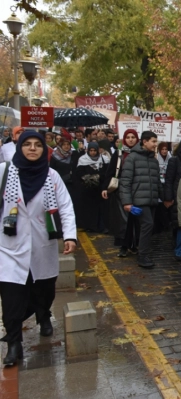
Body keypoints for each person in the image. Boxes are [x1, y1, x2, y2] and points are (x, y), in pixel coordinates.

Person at [0, 130, 77, 366]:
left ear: (44, 149)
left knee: (44, 291)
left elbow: (65, 206)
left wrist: (70, 236)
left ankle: (44, 314)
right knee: (12, 297)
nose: (32, 149)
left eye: (38, 145)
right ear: (19, 147)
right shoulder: (4, 172)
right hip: (9, 246)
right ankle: (14, 345)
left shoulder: (51, 175)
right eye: (27, 145)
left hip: (43, 243)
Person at [119, 131, 164, 269]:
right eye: (153, 141)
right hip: (139, 200)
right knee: (147, 225)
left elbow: (157, 182)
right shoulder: (132, 158)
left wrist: (165, 198)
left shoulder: (154, 160)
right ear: (145, 142)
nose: (155, 144)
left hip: (151, 200)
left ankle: (142, 251)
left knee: (146, 227)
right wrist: (127, 202)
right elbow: (125, 181)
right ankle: (143, 256)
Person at [103, 129, 140, 256]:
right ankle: (123, 246)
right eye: (128, 137)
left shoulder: (141, 153)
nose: (130, 139)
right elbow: (110, 172)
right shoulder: (119, 153)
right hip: (121, 192)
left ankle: (134, 245)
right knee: (122, 221)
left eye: (133, 137)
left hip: (136, 190)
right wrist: (105, 188)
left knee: (135, 220)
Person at [75, 142, 110, 232]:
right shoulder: (83, 159)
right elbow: (79, 173)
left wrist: (98, 176)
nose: (93, 153)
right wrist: (89, 178)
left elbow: (107, 172)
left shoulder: (104, 159)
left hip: (101, 188)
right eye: (91, 150)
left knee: (102, 208)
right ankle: (91, 226)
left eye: (94, 150)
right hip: (88, 189)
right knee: (90, 208)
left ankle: (102, 226)